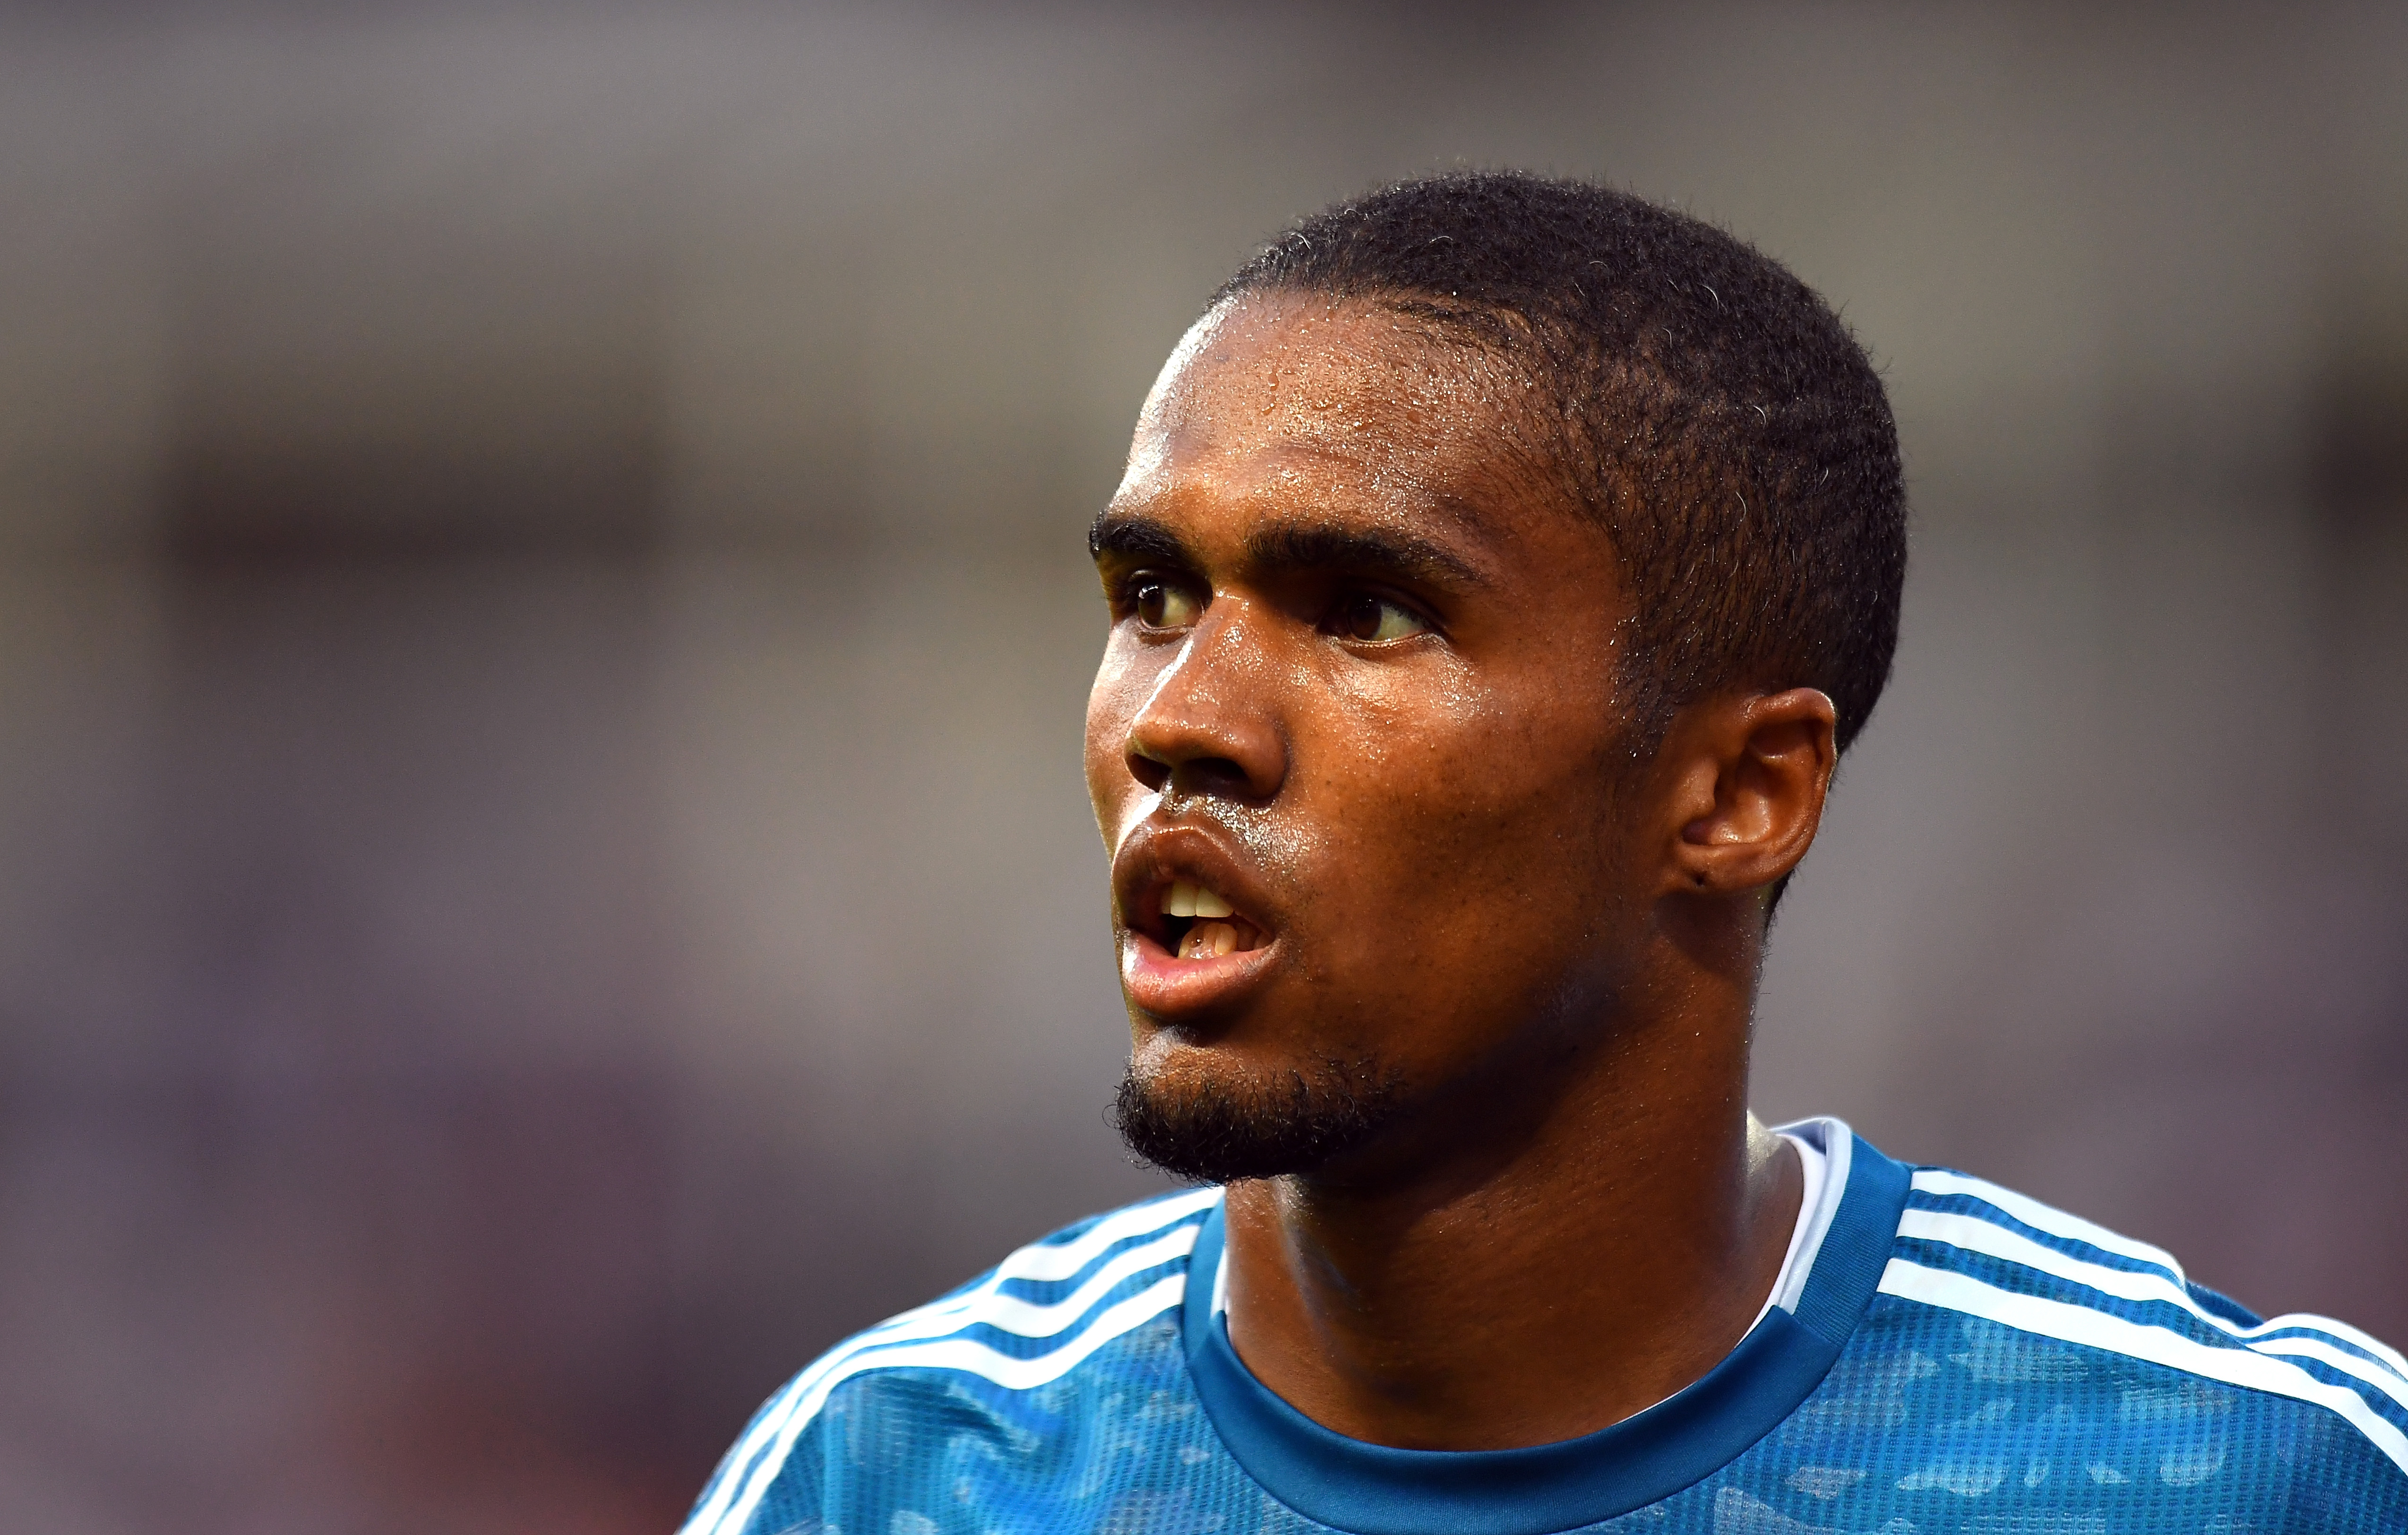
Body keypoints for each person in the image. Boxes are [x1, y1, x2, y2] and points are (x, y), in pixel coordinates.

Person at [679, 172, 2408, 1535]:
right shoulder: (886, 1481)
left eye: (1366, 612)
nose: (1179, 720)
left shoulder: (2256, 1483)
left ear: (1739, 799)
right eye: (1153, 600)